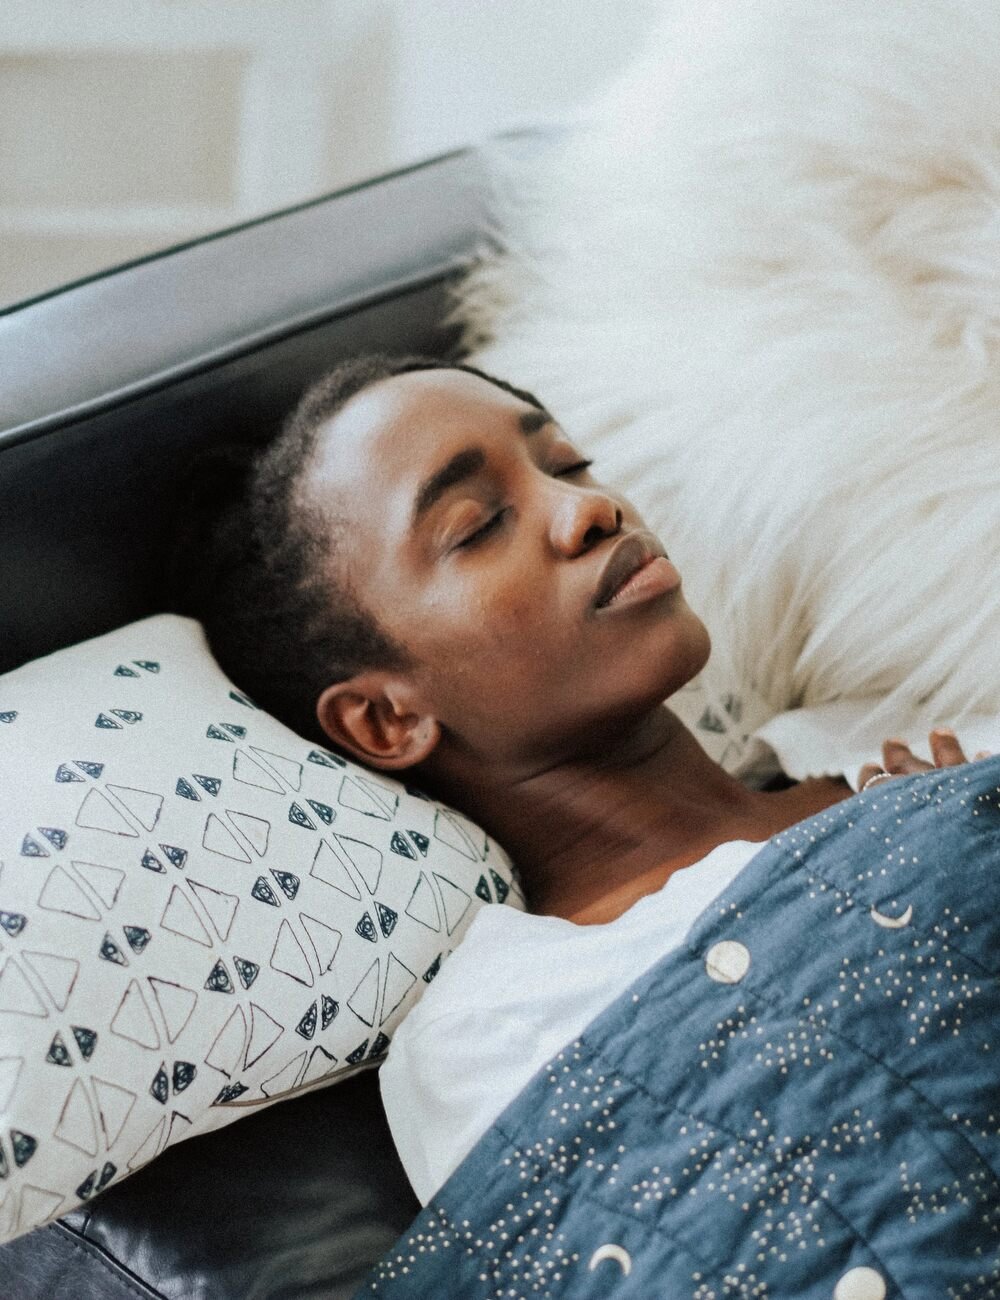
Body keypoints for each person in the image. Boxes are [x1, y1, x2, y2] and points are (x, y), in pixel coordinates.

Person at [172, 352, 991, 1206]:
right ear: (387, 720)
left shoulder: (896, 731)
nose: (590, 509)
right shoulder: (504, 1023)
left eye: (567, 464)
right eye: (479, 525)